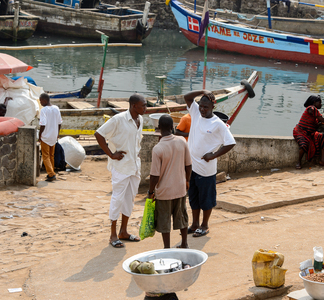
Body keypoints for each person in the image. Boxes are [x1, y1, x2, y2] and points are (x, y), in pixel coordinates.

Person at [94, 94, 147, 248]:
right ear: (133, 105)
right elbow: (99, 134)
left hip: (134, 165)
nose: (145, 108)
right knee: (117, 198)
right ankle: (112, 234)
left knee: (130, 198)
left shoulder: (140, 120)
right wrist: (111, 154)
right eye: (142, 105)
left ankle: (123, 231)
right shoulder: (118, 120)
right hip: (121, 165)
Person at [183, 90, 236, 237]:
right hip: (191, 166)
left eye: (206, 107)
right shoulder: (195, 113)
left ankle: (204, 225)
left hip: (206, 169)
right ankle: (194, 224)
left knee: (206, 199)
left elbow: (230, 143)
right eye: (201, 106)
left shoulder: (218, 124)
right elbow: (187, 97)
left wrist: (213, 155)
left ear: (212, 107)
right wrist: (202, 91)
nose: (202, 109)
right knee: (193, 197)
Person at [149, 115, 192, 249]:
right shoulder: (181, 142)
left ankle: (167, 248)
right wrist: (187, 181)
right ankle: (184, 243)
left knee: (164, 220)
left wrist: (151, 191)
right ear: (172, 127)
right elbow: (188, 165)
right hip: (180, 188)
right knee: (182, 217)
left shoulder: (158, 149)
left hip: (164, 191)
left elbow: (154, 175)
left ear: (159, 128)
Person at [293, 95, 324, 169]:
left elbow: (321, 121)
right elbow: (323, 120)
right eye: (320, 103)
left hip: (309, 133)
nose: (321, 104)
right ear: (314, 102)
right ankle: (298, 162)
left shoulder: (315, 112)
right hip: (300, 132)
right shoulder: (311, 108)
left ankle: (322, 160)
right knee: (303, 144)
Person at [39, 93, 62, 182]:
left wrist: (40, 135)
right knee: (51, 155)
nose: (40, 103)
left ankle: (51, 174)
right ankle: (51, 172)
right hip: (54, 135)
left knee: (45, 156)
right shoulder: (56, 108)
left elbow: (43, 124)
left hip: (46, 136)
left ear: (44, 100)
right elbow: (59, 123)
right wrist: (57, 133)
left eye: (41, 101)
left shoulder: (44, 110)